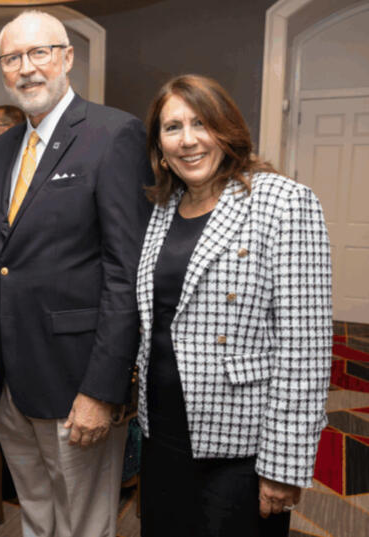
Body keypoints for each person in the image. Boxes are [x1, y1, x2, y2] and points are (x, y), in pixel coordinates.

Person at [136, 74, 332, 537]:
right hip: (161, 430)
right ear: (159, 146)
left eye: (200, 123)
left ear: (227, 129)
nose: (188, 140)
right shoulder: (163, 207)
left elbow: (305, 349)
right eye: (172, 128)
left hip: (240, 443)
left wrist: (284, 463)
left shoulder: (283, 202)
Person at [0, 10, 153, 537]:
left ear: (68, 57)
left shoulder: (113, 133)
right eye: (13, 58)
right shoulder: (4, 147)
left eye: (40, 53)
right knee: (36, 512)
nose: (27, 68)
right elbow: (4, 259)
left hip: (76, 382)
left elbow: (127, 272)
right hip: (12, 382)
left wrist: (102, 389)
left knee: (83, 525)